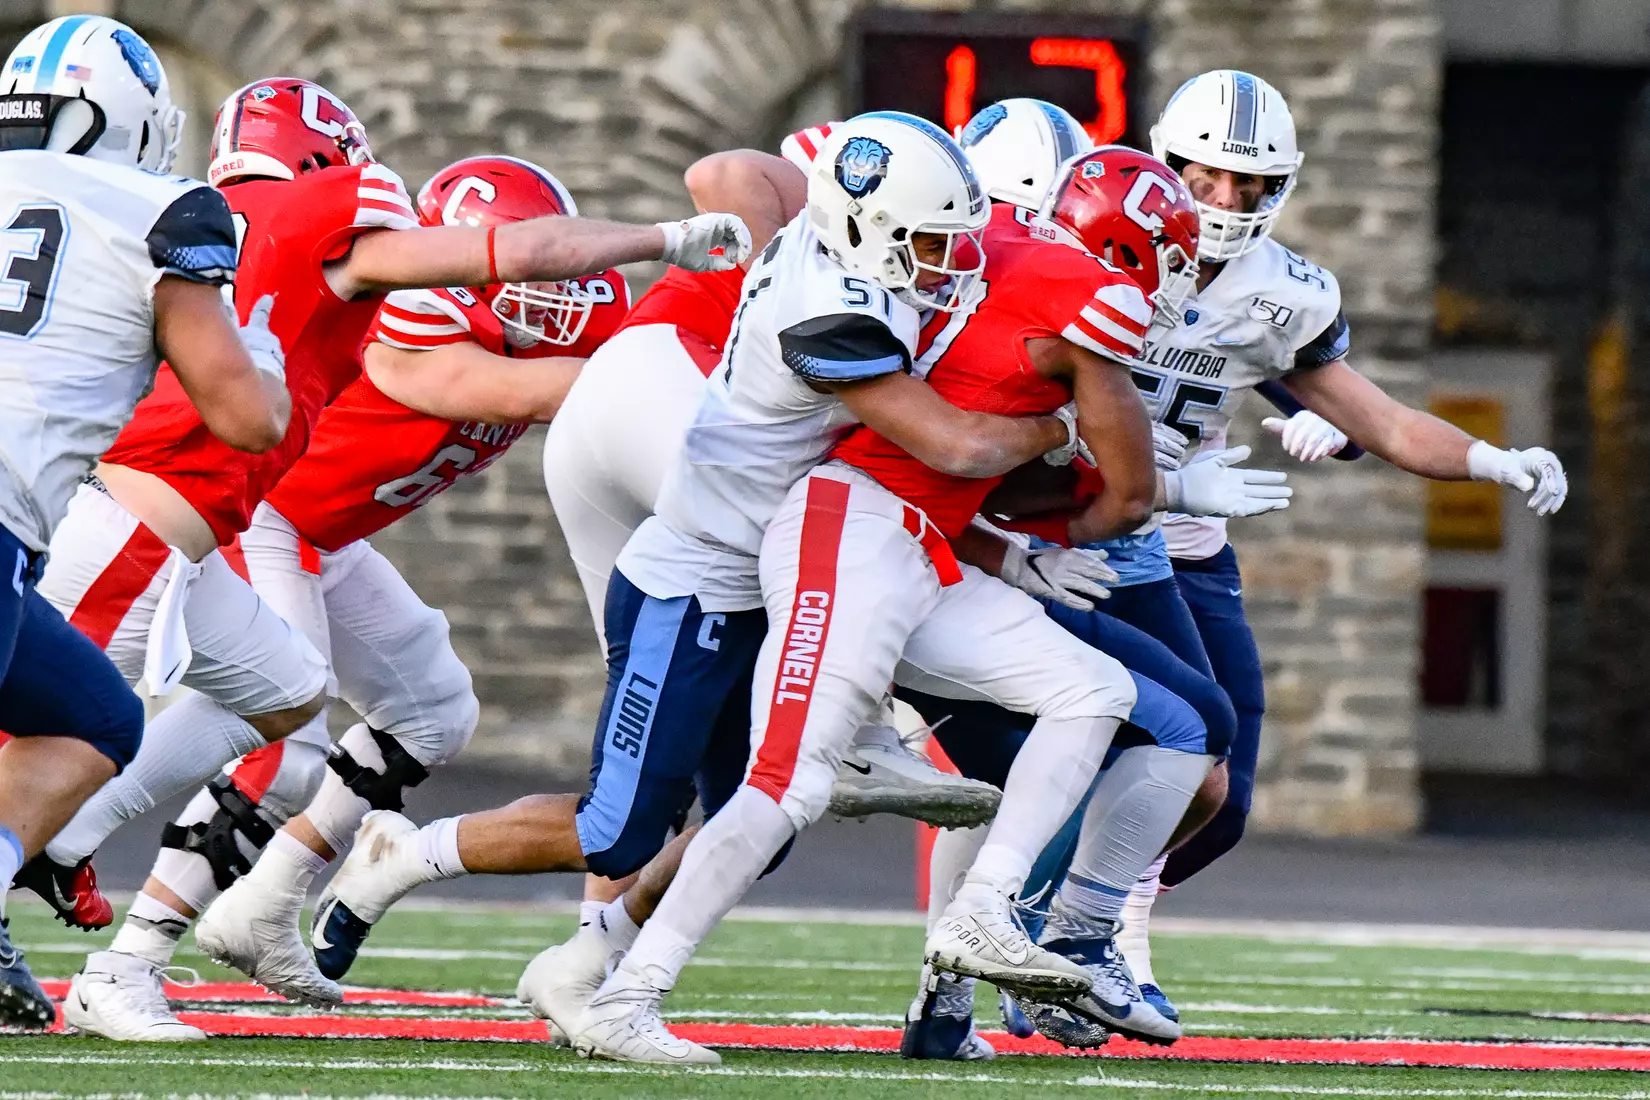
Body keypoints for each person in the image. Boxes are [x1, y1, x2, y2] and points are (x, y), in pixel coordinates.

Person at [61, 154, 630, 1039]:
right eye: (526, 274)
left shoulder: (553, 325)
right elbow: (529, 388)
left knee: (433, 707)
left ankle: (263, 906)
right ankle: (126, 960)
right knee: (283, 747)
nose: (555, 302)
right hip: (266, 518)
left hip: (324, 535)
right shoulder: (412, 319)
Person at [1101, 68, 1568, 1019]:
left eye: (1250, 184)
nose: (1226, 203)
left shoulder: (1285, 294)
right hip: (1073, 527)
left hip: (1182, 547)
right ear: (1164, 163)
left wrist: (1491, 457)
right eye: (1204, 178)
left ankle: (1090, 915)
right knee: (1140, 746)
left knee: (1220, 807)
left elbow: (1379, 420)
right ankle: (1076, 935)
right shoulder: (1101, 249)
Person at [0, 14, 290, 1027]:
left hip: (16, 539)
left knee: (98, 717)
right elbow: (245, 416)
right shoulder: (160, 208)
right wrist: (263, 354)